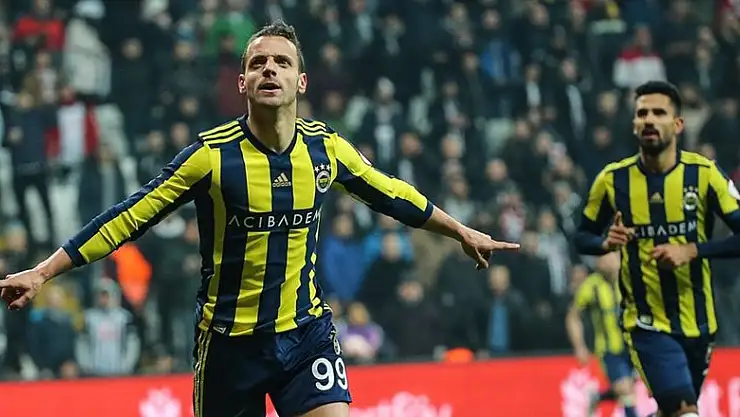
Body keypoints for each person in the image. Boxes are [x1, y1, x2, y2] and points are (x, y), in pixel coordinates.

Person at [0, 20, 519, 417]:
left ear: (301, 80)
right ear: (243, 82)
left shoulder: (326, 150)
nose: (270, 69)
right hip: (229, 345)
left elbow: (393, 195)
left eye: (282, 62)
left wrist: (459, 231)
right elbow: (125, 218)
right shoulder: (209, 157)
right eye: (259, 63)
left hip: (306, 332)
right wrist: (43, 272)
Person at [574, 80, 740, 417]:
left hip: (698, 321)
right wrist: (605, 243)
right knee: (685, 411)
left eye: (659, 112)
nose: (649, 119)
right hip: (646, 323)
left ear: (677, 124)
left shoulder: (704, 175)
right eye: (642, 113)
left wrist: (693, 250)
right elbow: (582, 236)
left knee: (673, 411)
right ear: (634, 125)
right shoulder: (612, 180)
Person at [566, 252, 637, 417]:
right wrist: (579, 346)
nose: (607, 261)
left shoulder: (629, 280)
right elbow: (573, 317)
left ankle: (598, 396)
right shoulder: (590, 286)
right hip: (608, 349)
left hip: (632, 346)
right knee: (625, 389)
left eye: (612, 255)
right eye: (603, 257)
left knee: (628, 388)